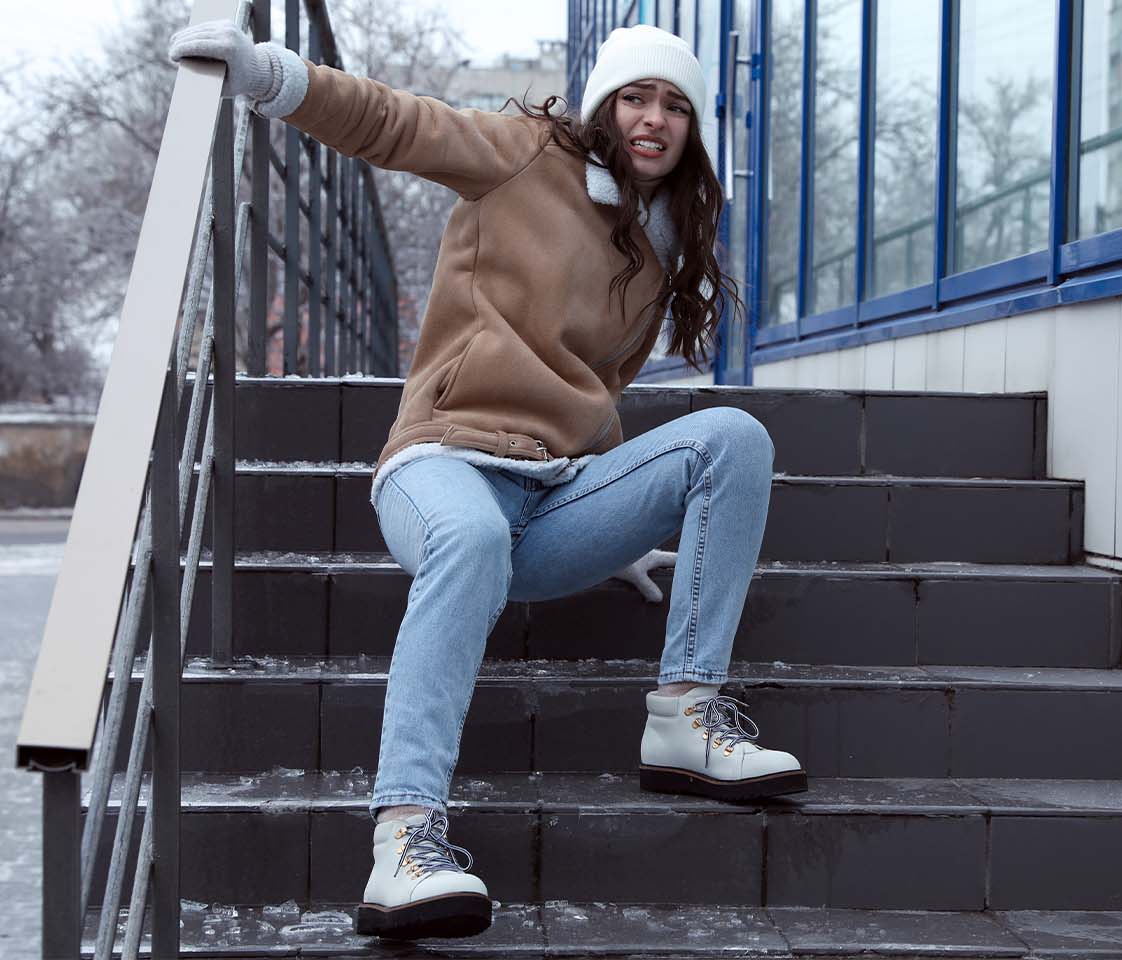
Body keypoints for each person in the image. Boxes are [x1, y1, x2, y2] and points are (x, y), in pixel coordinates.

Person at [168, 19, 807, 941]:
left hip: (555, 498)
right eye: (636, 96)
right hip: (442, 464)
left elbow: (594, 392)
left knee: (734, 437)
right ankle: (405, 842)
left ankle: (687, 715)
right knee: (469, 539)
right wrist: (265, 74)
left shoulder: (659, 245)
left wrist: (616, 525)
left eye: (675, 106)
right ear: (602, 106)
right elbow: (392, 122)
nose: (654, 119)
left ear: (694, 131)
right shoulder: (523, 157)